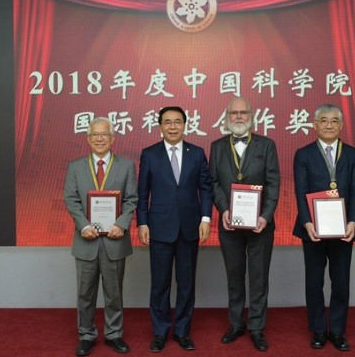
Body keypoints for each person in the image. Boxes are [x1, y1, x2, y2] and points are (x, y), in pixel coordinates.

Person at [137, 106, 213, 352]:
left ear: (185, 125)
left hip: (190, 227)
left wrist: (205, 219)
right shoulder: (149, 154)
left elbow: (206, 189)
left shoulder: (197, 153)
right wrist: (142, 222)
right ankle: (160, 332)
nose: (172, 126)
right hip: (158, 228)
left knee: (186, 283)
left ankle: (182, 331)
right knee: (159, 283)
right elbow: (142, 193)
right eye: (167, 122)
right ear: (159, 126)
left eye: (177, 122)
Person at [209, 96, 280, 352]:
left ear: (252, 116)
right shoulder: (217, 146)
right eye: (234, 113)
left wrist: (266, 216)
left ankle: (257, 328)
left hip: (260, 226)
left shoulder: (267, 145)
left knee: (259, 278)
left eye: (243, 113)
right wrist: (224, 210)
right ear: (227, 117)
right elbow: (213, 183)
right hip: (230, 224)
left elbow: (273, 184)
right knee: (234, 276)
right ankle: (236, 324)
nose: (238, 117)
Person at [64, 117, 138, 356]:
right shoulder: (75, 166)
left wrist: (122, 224)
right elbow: (71, 200)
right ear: (87, 138)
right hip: (86, 240)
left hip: (115, 240)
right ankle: (86, 335)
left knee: (114, 293)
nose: (99, 139)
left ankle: (114, 334)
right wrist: (83, 225)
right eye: (94, 135)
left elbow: (131, 199)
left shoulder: (126, 166)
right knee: (85, 294)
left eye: (104, 134)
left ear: (112, 138)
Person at [292, 104, 355, 352]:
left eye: (335, 121)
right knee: (314, 282)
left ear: (341, 125)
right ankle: (319, 331)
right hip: (313, 229)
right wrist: (307, 222)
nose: (329, 125)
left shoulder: (354, 155)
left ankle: (337, 331)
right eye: (324, 121)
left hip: (344, 229)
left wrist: (353, 221)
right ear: (315, 125)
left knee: (341, 282)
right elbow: (300, 191)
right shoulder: (303, 154)